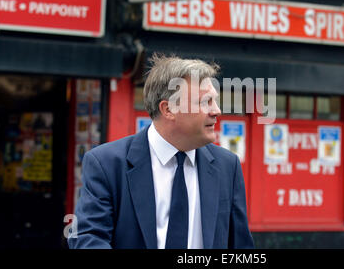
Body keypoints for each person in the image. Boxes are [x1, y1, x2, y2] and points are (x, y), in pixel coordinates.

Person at [68, 54, 254, 249]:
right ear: (168, 109)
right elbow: (87, 237)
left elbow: (240, 245)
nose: (216, 111)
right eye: (205, 102)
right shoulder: (106, 163)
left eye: (215, 101)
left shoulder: (227, 166)